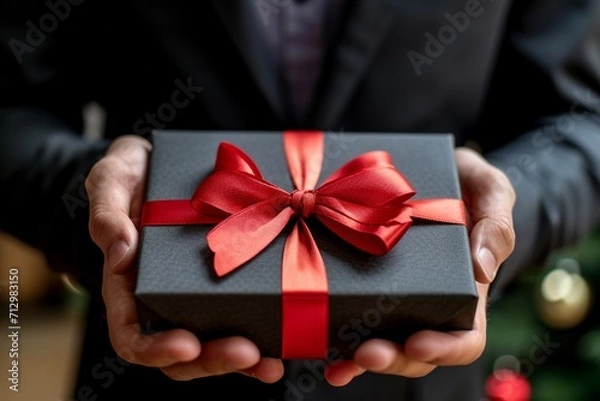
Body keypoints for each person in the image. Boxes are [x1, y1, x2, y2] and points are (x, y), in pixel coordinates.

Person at [1, 0, 599, 400]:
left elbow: (581, 120)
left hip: (421, 376)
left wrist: (490, 224)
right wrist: (104, 203)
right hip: (149, 360)